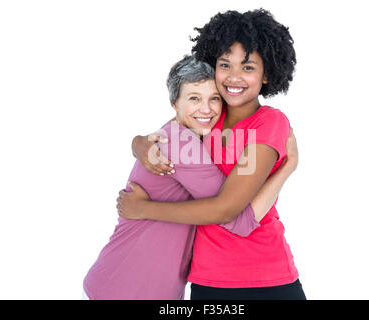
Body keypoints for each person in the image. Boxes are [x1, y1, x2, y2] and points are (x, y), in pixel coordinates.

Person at [118, 9, 306, 300]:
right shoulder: (207, 115)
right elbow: (162, 137)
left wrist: (144, 209)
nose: (234, 77)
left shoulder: (268, 123)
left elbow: (227, 209)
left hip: (267, 278)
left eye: (248, 67)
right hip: (209, 278)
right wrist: (139, 143)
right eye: (224, 65)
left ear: (267, 73)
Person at [83, 55, 297, 299]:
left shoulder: (189, 133)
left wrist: (138, 144)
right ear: (175, 103)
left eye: (214, 98)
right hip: (123, 288)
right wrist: (287, 168)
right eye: (194, 98)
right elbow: (238, 219)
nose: (205, 109)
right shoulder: (181, 141)